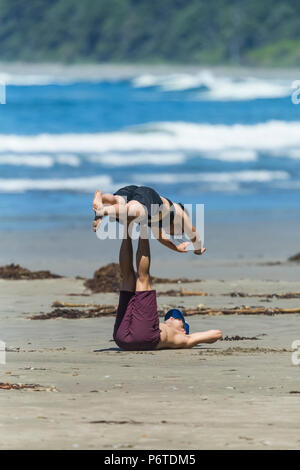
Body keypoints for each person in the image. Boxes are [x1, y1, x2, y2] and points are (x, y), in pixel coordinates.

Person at [113, 224, 222, 351]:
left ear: (183, 329)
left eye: (177, 318)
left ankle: (143, 225)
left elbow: (216, 334)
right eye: (172, 317)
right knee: (127, 278)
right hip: (122, 339)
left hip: (144, 337)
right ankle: (128, 226)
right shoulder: (167, 330)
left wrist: (191, 338)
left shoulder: (181, 338)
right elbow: (217, 333)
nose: (171, 317)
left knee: (143, 278)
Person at [93, 185, 206, 255]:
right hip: (147, 194)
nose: (173, 234)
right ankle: (104, 210)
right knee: (133, 210)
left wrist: (176, 248)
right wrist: (197, 249)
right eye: (178, 232)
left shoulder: (157, 224)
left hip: (134, 191)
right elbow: (194, 234)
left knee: (117, 201)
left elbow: (161, 238)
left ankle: (101, 198)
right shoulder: (179, 212)